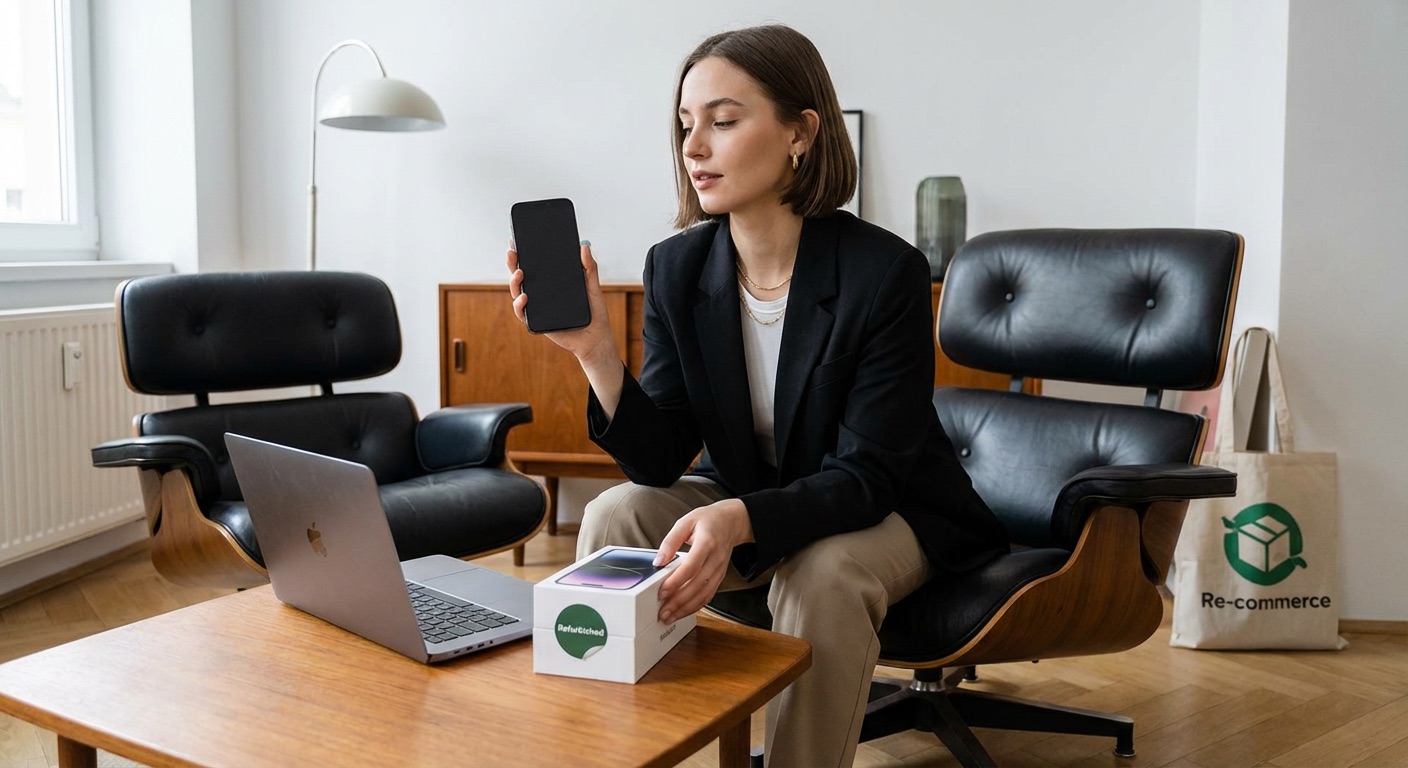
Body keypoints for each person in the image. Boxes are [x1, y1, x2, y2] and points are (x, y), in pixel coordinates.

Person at [507, 24, 1008, 767]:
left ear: (801, 132)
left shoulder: (883, 273)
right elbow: (661, 456)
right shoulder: (677, 267)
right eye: (685, 126)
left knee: (822, 572)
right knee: (616, 511)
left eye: (723, 120)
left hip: (892, 508)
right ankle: (617, 749)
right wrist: (595, 351)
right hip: (756, 494)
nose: (694, 147)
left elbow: (867, 475)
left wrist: (737, 519)